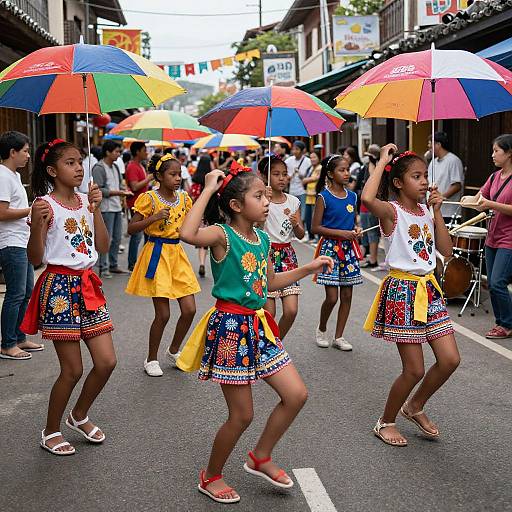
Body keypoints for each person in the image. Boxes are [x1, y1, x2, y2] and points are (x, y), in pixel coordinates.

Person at [176, 162, 332, 504]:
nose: (267, 201)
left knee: (296, 395)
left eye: (266, 195)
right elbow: (187, 235)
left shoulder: (262, 238)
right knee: (242, 414)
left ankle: (260, 456)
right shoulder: (222, 235)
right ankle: (211, 475)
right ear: (235, 205)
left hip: (260, 326)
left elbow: (270, 282)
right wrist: (206, 189)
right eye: (258, 195)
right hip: (231, 329)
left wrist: (307, 267)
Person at [21, 139, 116, 455]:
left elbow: (102, 247)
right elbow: (35, 257)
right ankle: (50, 430)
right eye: (71, 163)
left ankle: (79, 415)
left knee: (106, 362)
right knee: (72, 369)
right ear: (52, 170)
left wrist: (96, 209)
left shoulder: (86, 202)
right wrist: (38, 224)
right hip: (59, 289)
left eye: (80, 162)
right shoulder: (44, 205)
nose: (78, 168)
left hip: (88, 285)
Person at [361, 144, 460, 447]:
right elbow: (366, 198)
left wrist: (438, 211)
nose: (424, 182)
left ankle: (414, 406)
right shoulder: (392, 212)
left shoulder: (427, 211)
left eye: (425, 176)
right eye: (416, 176)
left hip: (429, 290)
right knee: (414, 368)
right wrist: (382, 161)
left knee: (450, 360)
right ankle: (385, 421)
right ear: (398, 183)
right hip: (402, 292)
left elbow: (446, 251)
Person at [125, 154, 200, 377]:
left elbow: (192, 224)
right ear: (159, 176)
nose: (178, 178)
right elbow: (131, 228)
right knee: (163, 314)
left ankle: (174, 349)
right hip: (156, 255)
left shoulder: (185, 198)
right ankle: (151, 358)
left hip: (177, 254)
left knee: (190, 309)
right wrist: (154, 217)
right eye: (173, 174)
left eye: (180, 174)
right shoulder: (149, 198)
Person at [311, 155, 363, 351]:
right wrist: (341, 233)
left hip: (349, 250)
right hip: (330, 251)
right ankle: (322, 328)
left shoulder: (353, 196)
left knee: (347, 295)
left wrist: (356, 229)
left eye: (348, 169)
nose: (347, 173)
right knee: (332, 297)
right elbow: (315, 227)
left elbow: (354, 220)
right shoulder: (323, 197)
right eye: (342, 170)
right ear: (330, 174)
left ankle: (339, 336)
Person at [0, 131, 43, 360]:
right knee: (15, 294)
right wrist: (30, 210)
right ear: (12, 152)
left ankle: (19, 337)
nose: (28, 155)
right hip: (10, 243)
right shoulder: (2, 176)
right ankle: (7, 344)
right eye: (25, 151)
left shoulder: (14, 175)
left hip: (22, 240)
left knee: (26, 292)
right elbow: (1, 212)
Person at [471, 134, 512, 339]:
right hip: (492, 236)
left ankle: (507, 323)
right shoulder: (494, 176)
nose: (492, 155)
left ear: (509, 152)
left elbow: (492, 203)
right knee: (492, 282)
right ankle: (501, 323)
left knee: (497, 282)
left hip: (509, 238)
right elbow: (481, 197)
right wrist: (468, 200)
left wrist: (490, 204)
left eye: (497, 150)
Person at [259, 155, 304, 340]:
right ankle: (266, 345)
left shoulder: (293, 201)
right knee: (269, 313)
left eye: (284, 174)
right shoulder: (261, 200)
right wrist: (263, 202)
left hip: (288, 257)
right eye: (276, 174)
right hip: (267, 256)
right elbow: (253, 228)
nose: (282, 178)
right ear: (265, 177)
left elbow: (301, 234)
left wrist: (296, 224)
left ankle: (275, 344)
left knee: (291, 310)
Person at [92, 141, 132, 278]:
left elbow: (120, 185)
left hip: (116, 206)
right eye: (116, 151)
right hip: (105, 208)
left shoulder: (115, 167)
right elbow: (99, 189)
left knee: (117, 237)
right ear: (108, 152)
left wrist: (123, 193)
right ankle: (104, 267)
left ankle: (113, 264)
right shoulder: (99, 167)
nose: (118, 154)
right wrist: (118, 193)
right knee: (105, 238)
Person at [125, 141, 152, 271]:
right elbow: (135, 186)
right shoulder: (132, 167)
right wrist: (149, 178)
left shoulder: (140, 166)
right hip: (136, 205)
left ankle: (144, 261)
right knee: (136, 234)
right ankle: (132, 263)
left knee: (146, 233)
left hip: (144, 204)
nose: (146, 152)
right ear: (137, 152)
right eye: (144, 150)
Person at [427, 132, 464, 224]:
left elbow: (456, 185)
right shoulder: (433, 162)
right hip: (432, 210)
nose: (428, 146)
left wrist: (441, 197)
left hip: (449, 212)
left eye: (430, 143)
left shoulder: (453, 160)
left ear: (438, 144)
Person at [358, 144, 382, 269]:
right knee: (366, 231)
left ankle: (374, 259)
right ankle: (369, 257)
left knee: (372, 232)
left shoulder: (378, 167)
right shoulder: (367, 166)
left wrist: (374, 162)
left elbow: (374, 180)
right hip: (363, 204)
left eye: (369, 156)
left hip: (373, 203)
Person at [190, 154, 214, 277]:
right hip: (209, 215)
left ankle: (201, 263)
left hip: (197, 216)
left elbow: (192, 199)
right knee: (205, 243)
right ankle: (203, 263)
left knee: (200, 242)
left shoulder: (195, 184)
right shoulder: (211, 184)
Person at [285, 140, 311, 221]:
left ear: (302, 150)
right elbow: (285, 176)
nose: (294, 151)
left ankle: (302, 227)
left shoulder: (308, 161)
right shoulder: (289, 160)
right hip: (292, 190)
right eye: (293, 149)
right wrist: (291, 175)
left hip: (303, 191)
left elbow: (309, 176)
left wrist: (300, 175)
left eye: (297, 149)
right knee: (293, 211)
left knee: (303, 213)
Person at [302, 150, 322, 242]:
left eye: (314, 157)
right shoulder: (311, 168)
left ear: (319, 158)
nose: (312, 159)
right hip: (308, 195)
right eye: (311, 157)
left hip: (315, 195)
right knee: (308, 217)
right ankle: (311, 236)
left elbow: (316, 178)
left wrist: (306, 180)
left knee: (315, 217)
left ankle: (317, 237)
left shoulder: (320, 168)